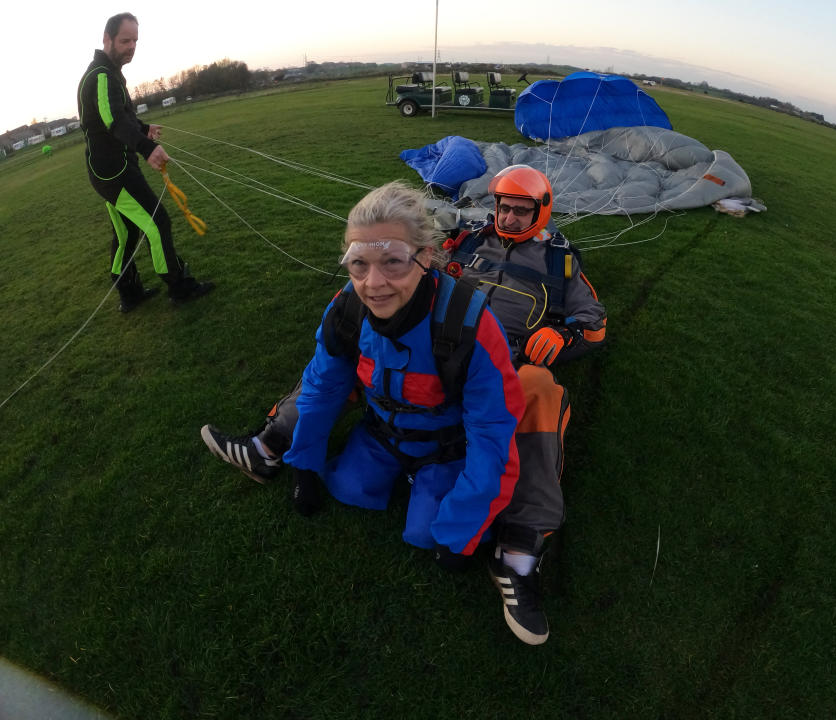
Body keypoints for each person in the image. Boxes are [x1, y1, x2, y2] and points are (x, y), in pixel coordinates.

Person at [202, 166, 607, 644]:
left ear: (542, 211)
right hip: (431, 336)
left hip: (502, 358)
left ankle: (519, 550)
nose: (511, 216)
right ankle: (272, 446)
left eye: (522, 209)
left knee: (536, 388)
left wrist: (561, 335)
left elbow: (593, 323)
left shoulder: (560, 263)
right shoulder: (467, 244)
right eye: (504, 206)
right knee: (356, 357)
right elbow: (398, 279)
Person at [77, 13, 213, 313]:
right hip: (114, 172)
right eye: (125, 40)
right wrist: (147, 146)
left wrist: (142, 128)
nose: (131, 46)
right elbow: (112, 121)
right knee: (157, 221)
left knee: (126, 232)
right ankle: (178, 286)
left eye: (135, 41)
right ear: (107, 39)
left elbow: (116, 115)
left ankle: (129, 292)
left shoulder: (109, 73)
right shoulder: (101, 74)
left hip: (106, 172)